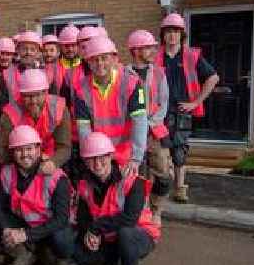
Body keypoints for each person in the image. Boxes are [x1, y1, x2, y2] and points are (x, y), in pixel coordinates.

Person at [73, 132, 161, 265]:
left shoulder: (132, 181)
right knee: (77, 253)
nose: (97, 164)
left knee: (126, 234)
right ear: (85, 161)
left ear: (110, 156)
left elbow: (129, 220)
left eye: (102, 158)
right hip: (109, 236)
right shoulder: (84, 184)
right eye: (91, 159)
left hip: (141, 235)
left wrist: (96, 228)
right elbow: (83, 218)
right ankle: (114, 263)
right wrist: (89, 233)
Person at [0, 125, 73, 265]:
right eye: (19, 150)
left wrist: (25, 235)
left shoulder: (57, 178)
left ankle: (61, 263)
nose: (25, 154)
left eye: (29, 148)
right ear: (12, 152)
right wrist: (5, 229)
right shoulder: (7, 173)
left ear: (39, 149)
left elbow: (61, 219)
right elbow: (0, 207)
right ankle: (23, 253)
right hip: (24, 224)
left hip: (51, 228)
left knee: (63, 237)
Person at [154, 13, 219, 203]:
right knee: (161, 151)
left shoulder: (192, 56)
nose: (172, 35)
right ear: (163, 34)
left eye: (176, 32)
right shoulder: (156, 56)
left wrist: (196, 102)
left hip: (182, 111)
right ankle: (165, 184)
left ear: (182, 34)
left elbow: (213, 78)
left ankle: (180, 189)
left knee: (179, 151)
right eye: (168, 32)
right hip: (160, 112)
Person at [74, 36, 148, 177]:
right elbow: (84, 130)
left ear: (114, 59)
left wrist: (136, 158)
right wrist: (93, 158)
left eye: (104, 58)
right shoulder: (81, 90)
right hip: (98, 156)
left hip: (127, 155)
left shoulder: (132, 84)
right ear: (88, 63)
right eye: (95, 59)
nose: (100, 63)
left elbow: (140, 122)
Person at [126, 30, 172, 224]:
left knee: (164, 175)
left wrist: (148, 125)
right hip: (131, 133)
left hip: (154, 132)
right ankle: (142, 211)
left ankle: (156, 210)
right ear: (136, 50)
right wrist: (137, 128)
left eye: (154, 47)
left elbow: (163, 104)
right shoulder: (122, 74)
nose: (154, 50)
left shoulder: (160, 73)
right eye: (148, 47)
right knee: (138, 177)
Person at [0, 69, 71, 170]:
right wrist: (32, 160)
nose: (33, 101)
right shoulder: (9, 114)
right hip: (21, 163)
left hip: (50, 160)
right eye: (28, 96)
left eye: (37, 95)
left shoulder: (59, 108)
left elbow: (64, 147)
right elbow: (2, 154)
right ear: (21, 95)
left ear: (46, 93)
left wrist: (53, 162)